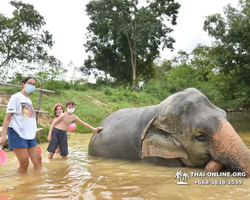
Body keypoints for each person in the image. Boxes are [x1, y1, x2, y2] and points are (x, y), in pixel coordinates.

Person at [0, 77, 42, 174]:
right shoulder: (16, 97)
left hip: (29, 135)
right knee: (24, 163)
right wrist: (3, 136)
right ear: (23, 84)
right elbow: (7, 117)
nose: (31, 85)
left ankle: (37, 185)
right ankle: (21, 187)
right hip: (17, 133)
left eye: (33, 84)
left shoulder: (28, 100)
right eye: (29, 83)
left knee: (38, 161)